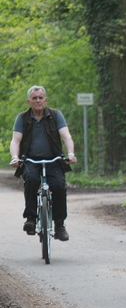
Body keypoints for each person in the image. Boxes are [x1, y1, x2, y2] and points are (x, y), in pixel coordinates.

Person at [9, 86, 77, 241]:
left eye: (40, 97)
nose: (38, 100)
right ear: (29, 101)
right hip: (30, 160)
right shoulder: (22, 118)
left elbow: (66, 136)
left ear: (45, 100)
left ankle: (59, 225)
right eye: (34, 98)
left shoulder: (55, 115)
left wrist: (71, 154)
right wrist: (15, 157)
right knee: (31, 180)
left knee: (59, 185)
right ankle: (31, 219)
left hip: (53, 159)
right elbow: (16, 140)